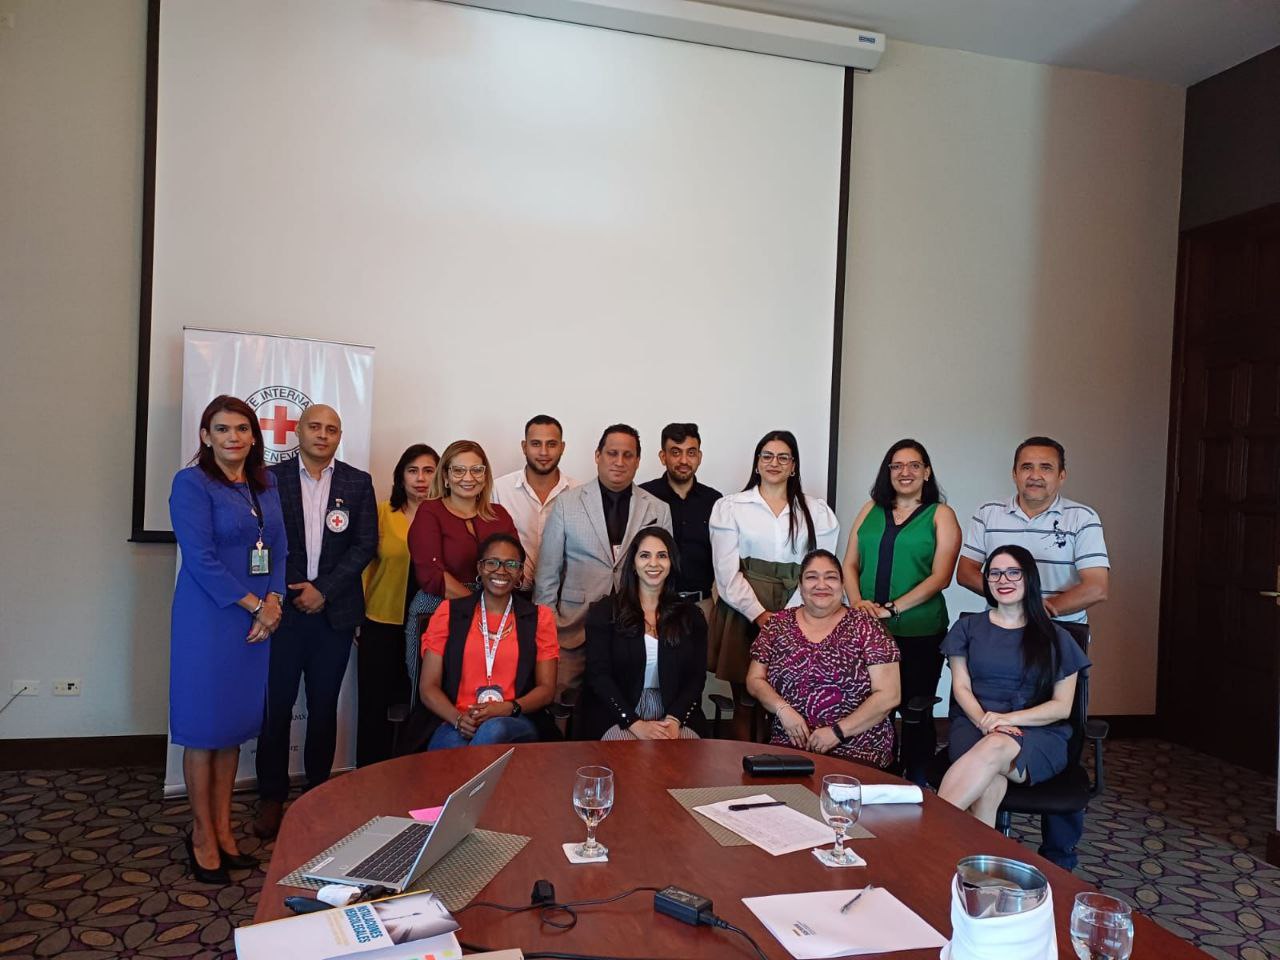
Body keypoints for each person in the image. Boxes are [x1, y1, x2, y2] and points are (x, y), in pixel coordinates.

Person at [956, 436, 1109, 869]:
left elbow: (1097, 585)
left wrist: (1039, 611)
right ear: (1014, 473)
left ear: (1061, 475)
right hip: (1000, 630)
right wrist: (1007, 599)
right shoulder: (989, 513)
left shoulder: (1081, 518)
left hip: (1056, 634)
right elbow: (966, 570)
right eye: (1026, 467)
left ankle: (1057, 857)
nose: (1035, 475)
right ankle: (978, 860)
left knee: (1058, 728)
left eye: (1045, 467)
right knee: (993, 758)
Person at [169, 395, 286, 883]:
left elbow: (279, 547)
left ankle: (223, 830)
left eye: (241, 428)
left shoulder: (265, 483)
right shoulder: (191, 484)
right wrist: (256, 605)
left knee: (234, 727)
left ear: (254, 436)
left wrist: (274, 599)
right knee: (205, 729)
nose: (233, 437)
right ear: (205, 436)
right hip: (210, 619)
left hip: (257, 620)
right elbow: (200, 559)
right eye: (222, 429)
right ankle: (201, 835)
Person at [253, 404, 377, 840]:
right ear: (298, 431)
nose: (323, 435)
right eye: (315, 427)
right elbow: (262, 541)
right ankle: (271, 795)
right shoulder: (269, 479)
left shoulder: (358, 482)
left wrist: (323, 589)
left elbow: (365, 544)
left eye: (332, 429)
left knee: (324, 708)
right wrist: (296, 589)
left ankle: (318, 792)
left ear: (339, 436)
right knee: (276, 708)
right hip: (282, 612)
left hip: (334, 614)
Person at [937, 545, 1090, 828]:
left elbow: (1061, 707)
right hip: (973, 723)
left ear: (1029, 578)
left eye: (1013, 572)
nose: (1002, 580)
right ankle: (978, 854)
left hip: (1038, 732)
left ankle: (928, 831)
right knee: (989, 783)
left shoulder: (1056, 637)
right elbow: (961, 688)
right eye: (994, 573)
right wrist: (985, 722)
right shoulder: (967, 628)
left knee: (994, 746)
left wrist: (1005, 720)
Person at [841, 439, 960, 784]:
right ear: (888, 471)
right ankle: (875, 777)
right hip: (867, 632)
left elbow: (941, 577)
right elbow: (849, 564)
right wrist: (857, 603)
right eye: (897, 465)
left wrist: (891, 610)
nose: (905, 472)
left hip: (920, 632)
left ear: (927, 472)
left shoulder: (941, 515)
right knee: (868, 708)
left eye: (914, 465)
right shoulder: (870, 509)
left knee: (914, 710)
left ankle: (916, 784)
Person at [534, 424, 673, 697]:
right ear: (598, 456)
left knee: (626, 698)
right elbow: (547, 574)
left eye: (628, 455)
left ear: (638, 460)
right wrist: (549, 628)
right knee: (562, 699)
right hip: (573, 628)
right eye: (612, 453)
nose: (619, 462)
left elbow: (664, 572)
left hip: (635, 626)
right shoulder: (566, 504)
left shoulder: (658, 509)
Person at [708, 430, 839, 704]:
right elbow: (726, 573)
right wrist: (759, 615)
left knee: (792, 694)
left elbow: (820, 572)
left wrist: (788, 619)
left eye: (783, 457)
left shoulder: (817, 512)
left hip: (800, 610)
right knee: (744, 700)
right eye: (767, 456)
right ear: (757, 463)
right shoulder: (731, 507)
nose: (774, 463)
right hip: (743, 611)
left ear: (793, 466)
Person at [745, 550, 901, 766]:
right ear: (800, 585)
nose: (821, 585)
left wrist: (838, 732)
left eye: (831, 577)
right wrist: (782, 709)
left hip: (858, 749)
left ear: (842, 585)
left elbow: (889, 695)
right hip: (789, 745)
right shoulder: (777, 625)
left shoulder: (866, 627)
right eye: (812, 577)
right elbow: (754, 679)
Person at [419, 533, 558, 748]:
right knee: (451, 744)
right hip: (456, 717)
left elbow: (546, 690)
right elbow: (428, 686)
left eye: (511, 564)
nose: (501, 571)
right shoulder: (449, 613)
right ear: (480, 568)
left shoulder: (539, 618)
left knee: (493, 729)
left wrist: (509, 707)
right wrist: (458, 719)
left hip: (515, 719)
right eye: (492, 562)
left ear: (520, 572)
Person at [581, 527, 709, 740]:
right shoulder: (605, 613)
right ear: (633, 563)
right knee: (630, 753)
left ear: (671, 562)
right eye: (645, 556)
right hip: (618, 712)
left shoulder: (691, 615)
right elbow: (599, 676)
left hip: (674, 712)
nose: (653, 563)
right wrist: (633, 722)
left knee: (684, 754)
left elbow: (696, 677)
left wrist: (674, 720)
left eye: (662, 556)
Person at [357, 443, 438, 767]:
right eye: (412, 470)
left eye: (429, 471)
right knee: (374, 706)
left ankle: (413, 776)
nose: (421, 478)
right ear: (400, 476)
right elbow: (364, 566)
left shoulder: (445, 516)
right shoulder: (381, 513)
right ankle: (368, 776)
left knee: (421, 705)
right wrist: (358, 616)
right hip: (381, 621)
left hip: (429, 627)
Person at [639, 423, 722, 623]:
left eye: (691, 453)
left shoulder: (715, 501)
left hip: (702, 606)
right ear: (663, 457)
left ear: (699, 457)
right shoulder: (643, 496)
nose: (684, 460)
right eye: (675, 452)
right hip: (653, 605)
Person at [491, 415, 578, 591]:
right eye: (536, 444)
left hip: (562, 595)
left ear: (562, 447)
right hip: (511, 592)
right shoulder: (499, 489)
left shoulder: (578, 492)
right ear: (524, 447)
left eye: (551, 444)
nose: (544, 452)